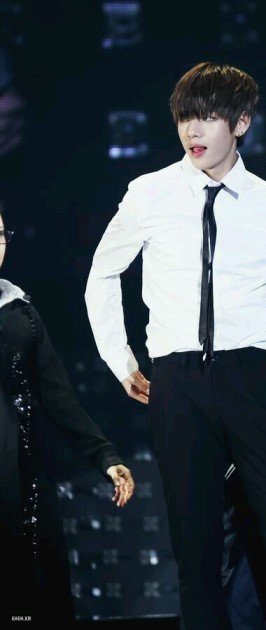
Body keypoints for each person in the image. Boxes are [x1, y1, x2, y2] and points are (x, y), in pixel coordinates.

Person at [85, 61, 266, 627]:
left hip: (252, 380)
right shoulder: (149, 193)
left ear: (241, 123)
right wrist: (121, 360)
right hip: (177, 385)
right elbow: (102, 273)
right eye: (184, 118)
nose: (192, 130)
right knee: (194, 550)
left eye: (209, 117)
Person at [0, 203, 135, 624]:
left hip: (25, 483)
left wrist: (105, 457)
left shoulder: (20, 311)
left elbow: (58, 397)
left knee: (42, 598)